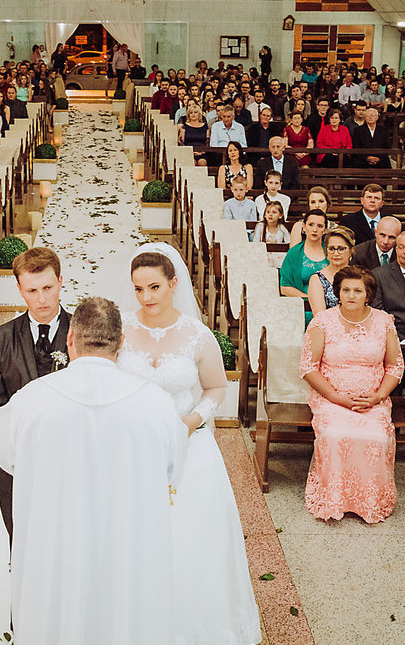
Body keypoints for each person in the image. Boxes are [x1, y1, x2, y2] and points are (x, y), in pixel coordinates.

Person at [0, 296, 186, 645]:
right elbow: (171, 468)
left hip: (54, 543)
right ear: (121, 343)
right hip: (127, 546)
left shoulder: (28, 400)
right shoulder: (156, 402)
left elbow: (7, 459)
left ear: (70, 339)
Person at [115, 247, 260, 645]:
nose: (147, 297)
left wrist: (191, 421)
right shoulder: (123, 328)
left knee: (191, 536)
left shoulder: (198, 335)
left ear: (174, 283)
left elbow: (216, 387)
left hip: (189, 444)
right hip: (135, 446)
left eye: (155, 287)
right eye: (139, 288)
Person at [300, 265, 404, 522]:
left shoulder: (383, 321)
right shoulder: (322, 322)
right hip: (330, 398)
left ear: (368, 294)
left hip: (373, 400)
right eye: (345, 290)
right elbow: (308, 367)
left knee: (377, 437)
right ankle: (334, 499)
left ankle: (369, 501)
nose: (351, 295)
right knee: (336, 435)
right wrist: (336, 397)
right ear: (338, 293)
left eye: (357, 290)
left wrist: (379, 395)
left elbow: (395, 365)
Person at [0, 247, 73, 543]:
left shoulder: (82, 333)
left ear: (61, 281)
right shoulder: (0, 338)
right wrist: (29, 445)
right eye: (32, 290)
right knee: (23, 547)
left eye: (48, 287)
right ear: (20, 289)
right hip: (16, 465)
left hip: (69, 466)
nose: (42, 298)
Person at [280, 209, 329, 312]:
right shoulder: (294, 253)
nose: (314, 229)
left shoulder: (331, 252)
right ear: (304, 227)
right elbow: (285, 287)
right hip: (301, 308)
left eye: (319, 226)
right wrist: (309, 299)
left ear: (325, 230)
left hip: (329, 308)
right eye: (311, 225)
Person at [307, 227, 355, 319]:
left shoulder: (359, 276)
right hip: (329, 329)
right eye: (331, 248)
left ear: (351, 250)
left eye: (341, 249)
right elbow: (320, 317)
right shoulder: (317, 279)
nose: (336, 253)